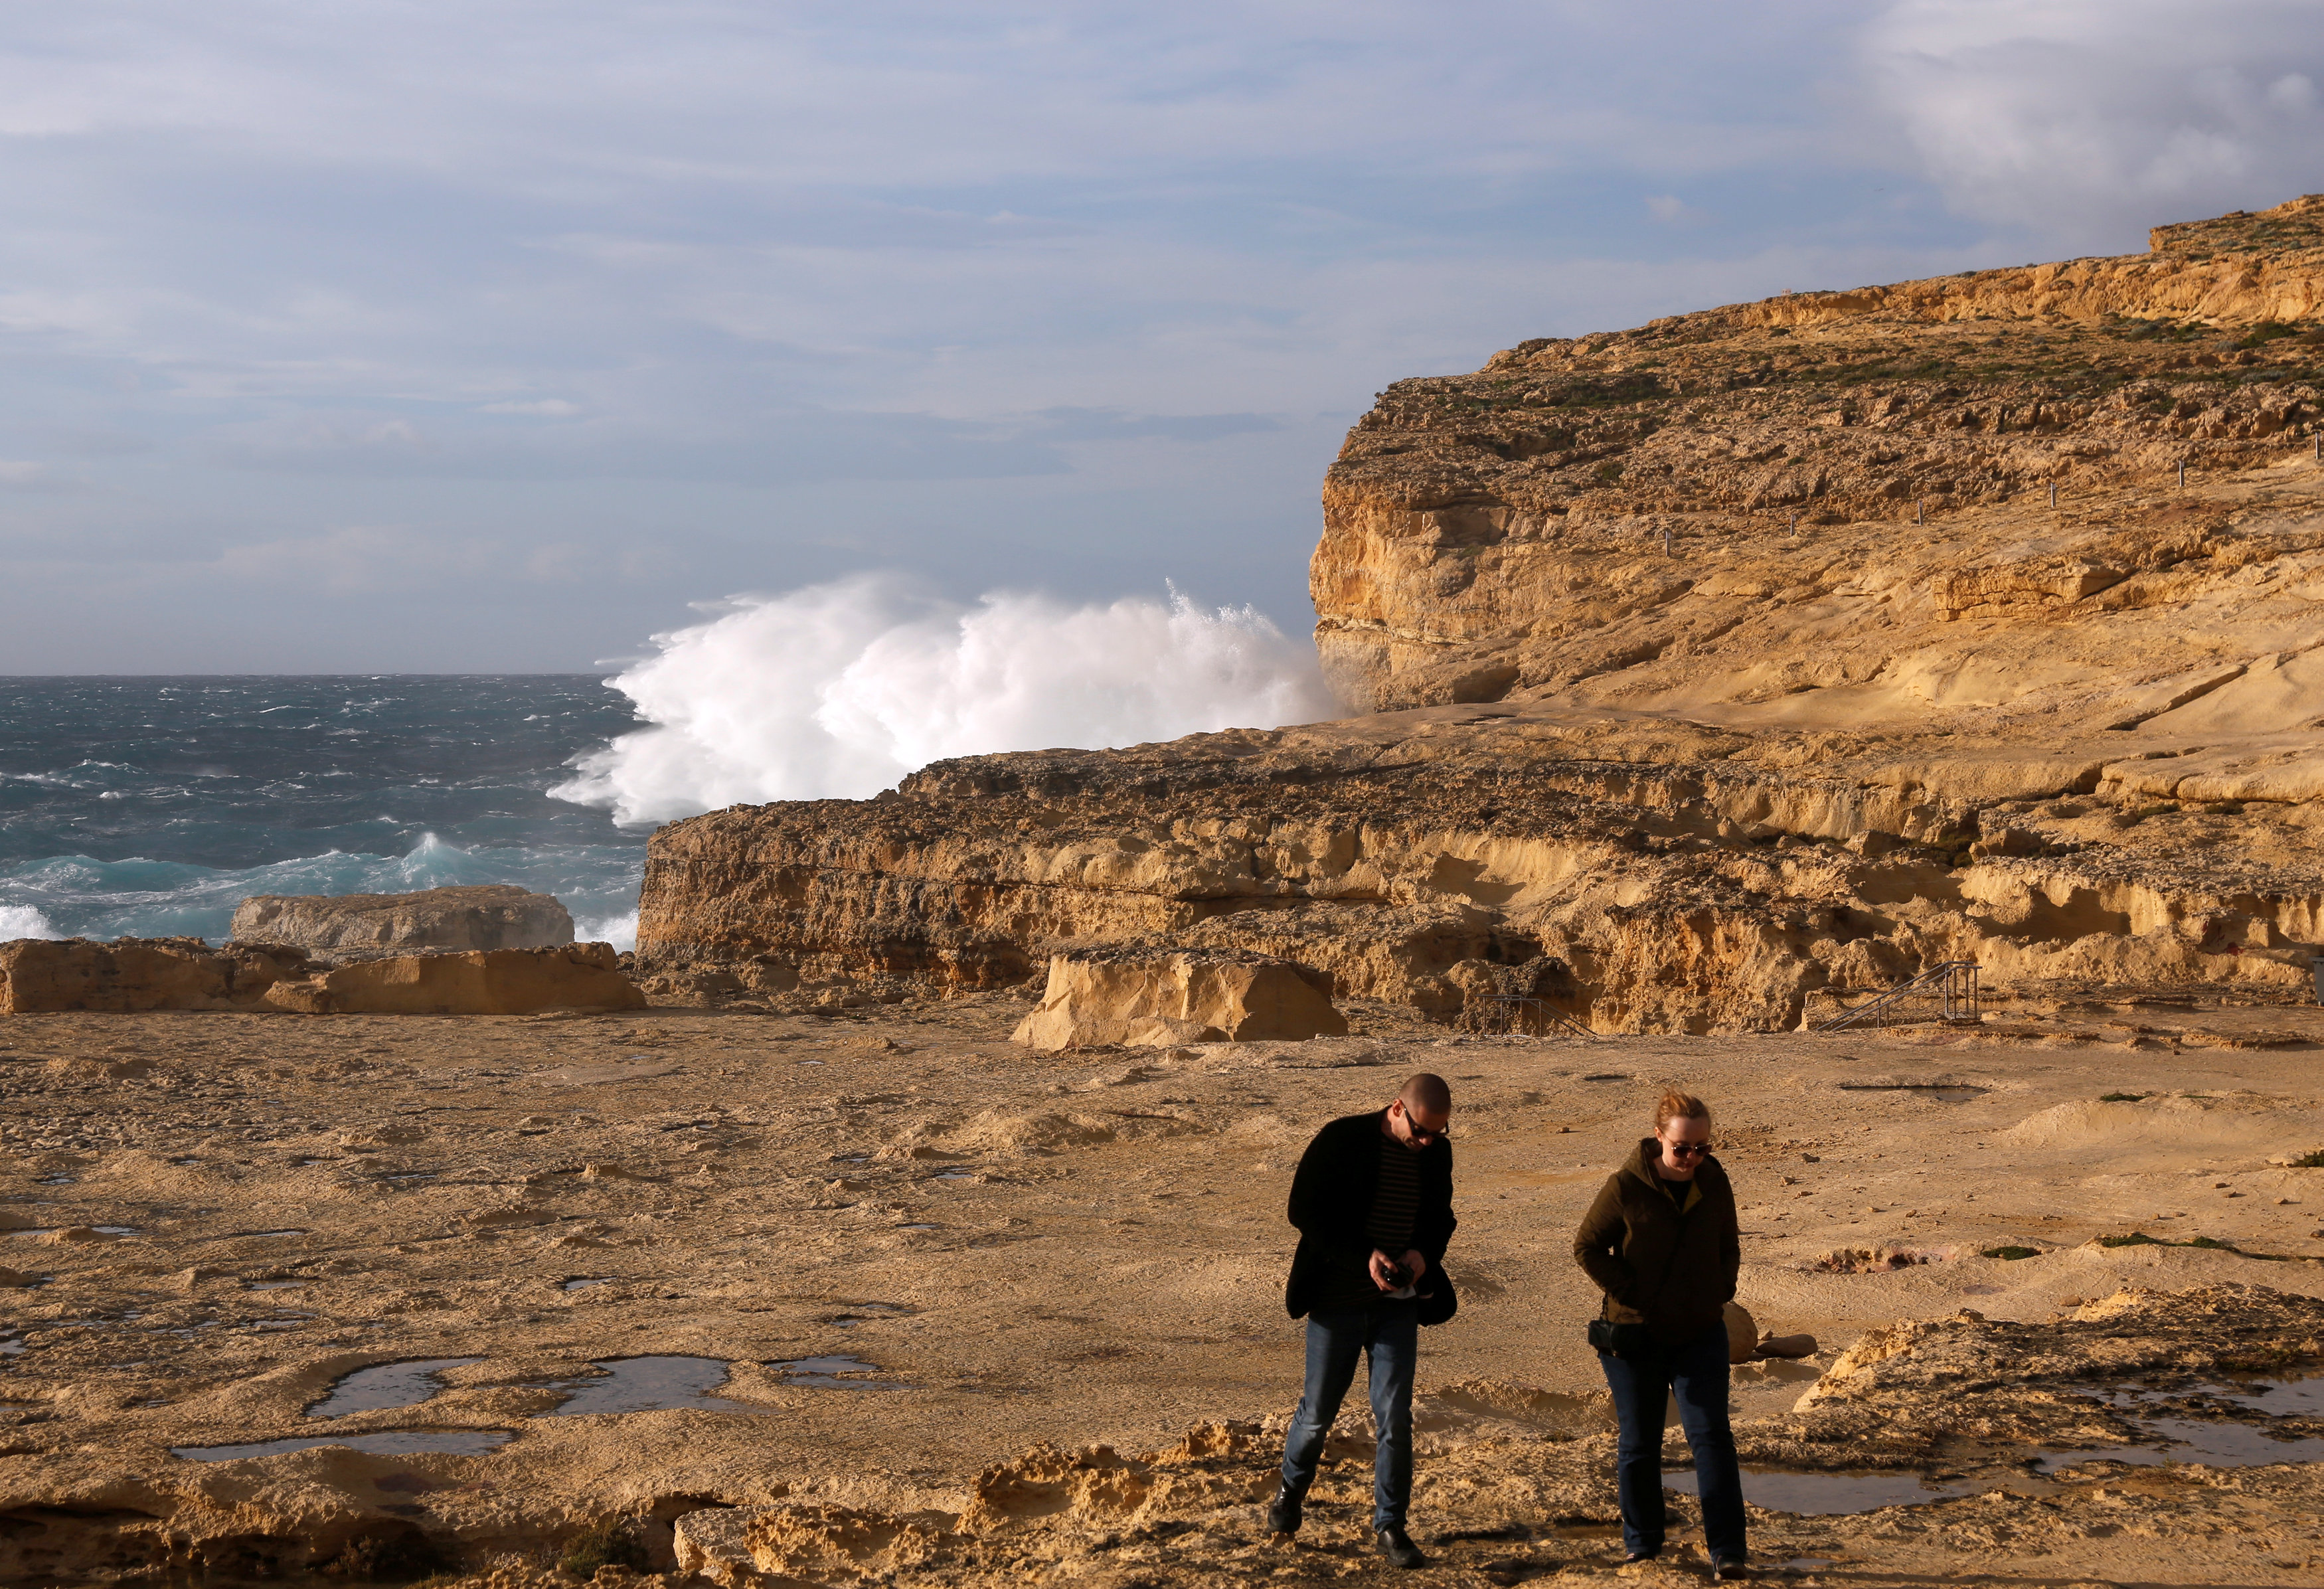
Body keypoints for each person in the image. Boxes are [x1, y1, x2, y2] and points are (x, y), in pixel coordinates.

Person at [1268, 1074, 1459, 1570]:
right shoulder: (1342, 1138)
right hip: (1337, 1302)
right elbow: (1303, 1209)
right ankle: (1290, 1491)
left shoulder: (1436, 1153)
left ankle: (1390, 1525)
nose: (1426, 1143)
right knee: (1317, 1415)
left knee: (1395, 1416)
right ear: (1397, 1108)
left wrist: (1421, 1254)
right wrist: (1364, 1258)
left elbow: (1441, 1218)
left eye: (1437, 1135)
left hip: (1399, 1305)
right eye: (1419, 1132)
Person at [1572, 1090, 1749, 1580]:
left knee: (1712, 1437)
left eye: (1702, 1147)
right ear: (1659, 1138)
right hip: (1635, 1337)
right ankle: (1643, 1545)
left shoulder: (1713, 1180)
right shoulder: (1625, 1186)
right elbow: (1586, 1246)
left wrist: (1719, 1290)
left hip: (1699, 1332)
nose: (1692, 1157)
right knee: (1640, 1443)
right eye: (1682, 1148)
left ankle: (1728, 1549)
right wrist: (1634, 1293)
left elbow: (1728, 1242)